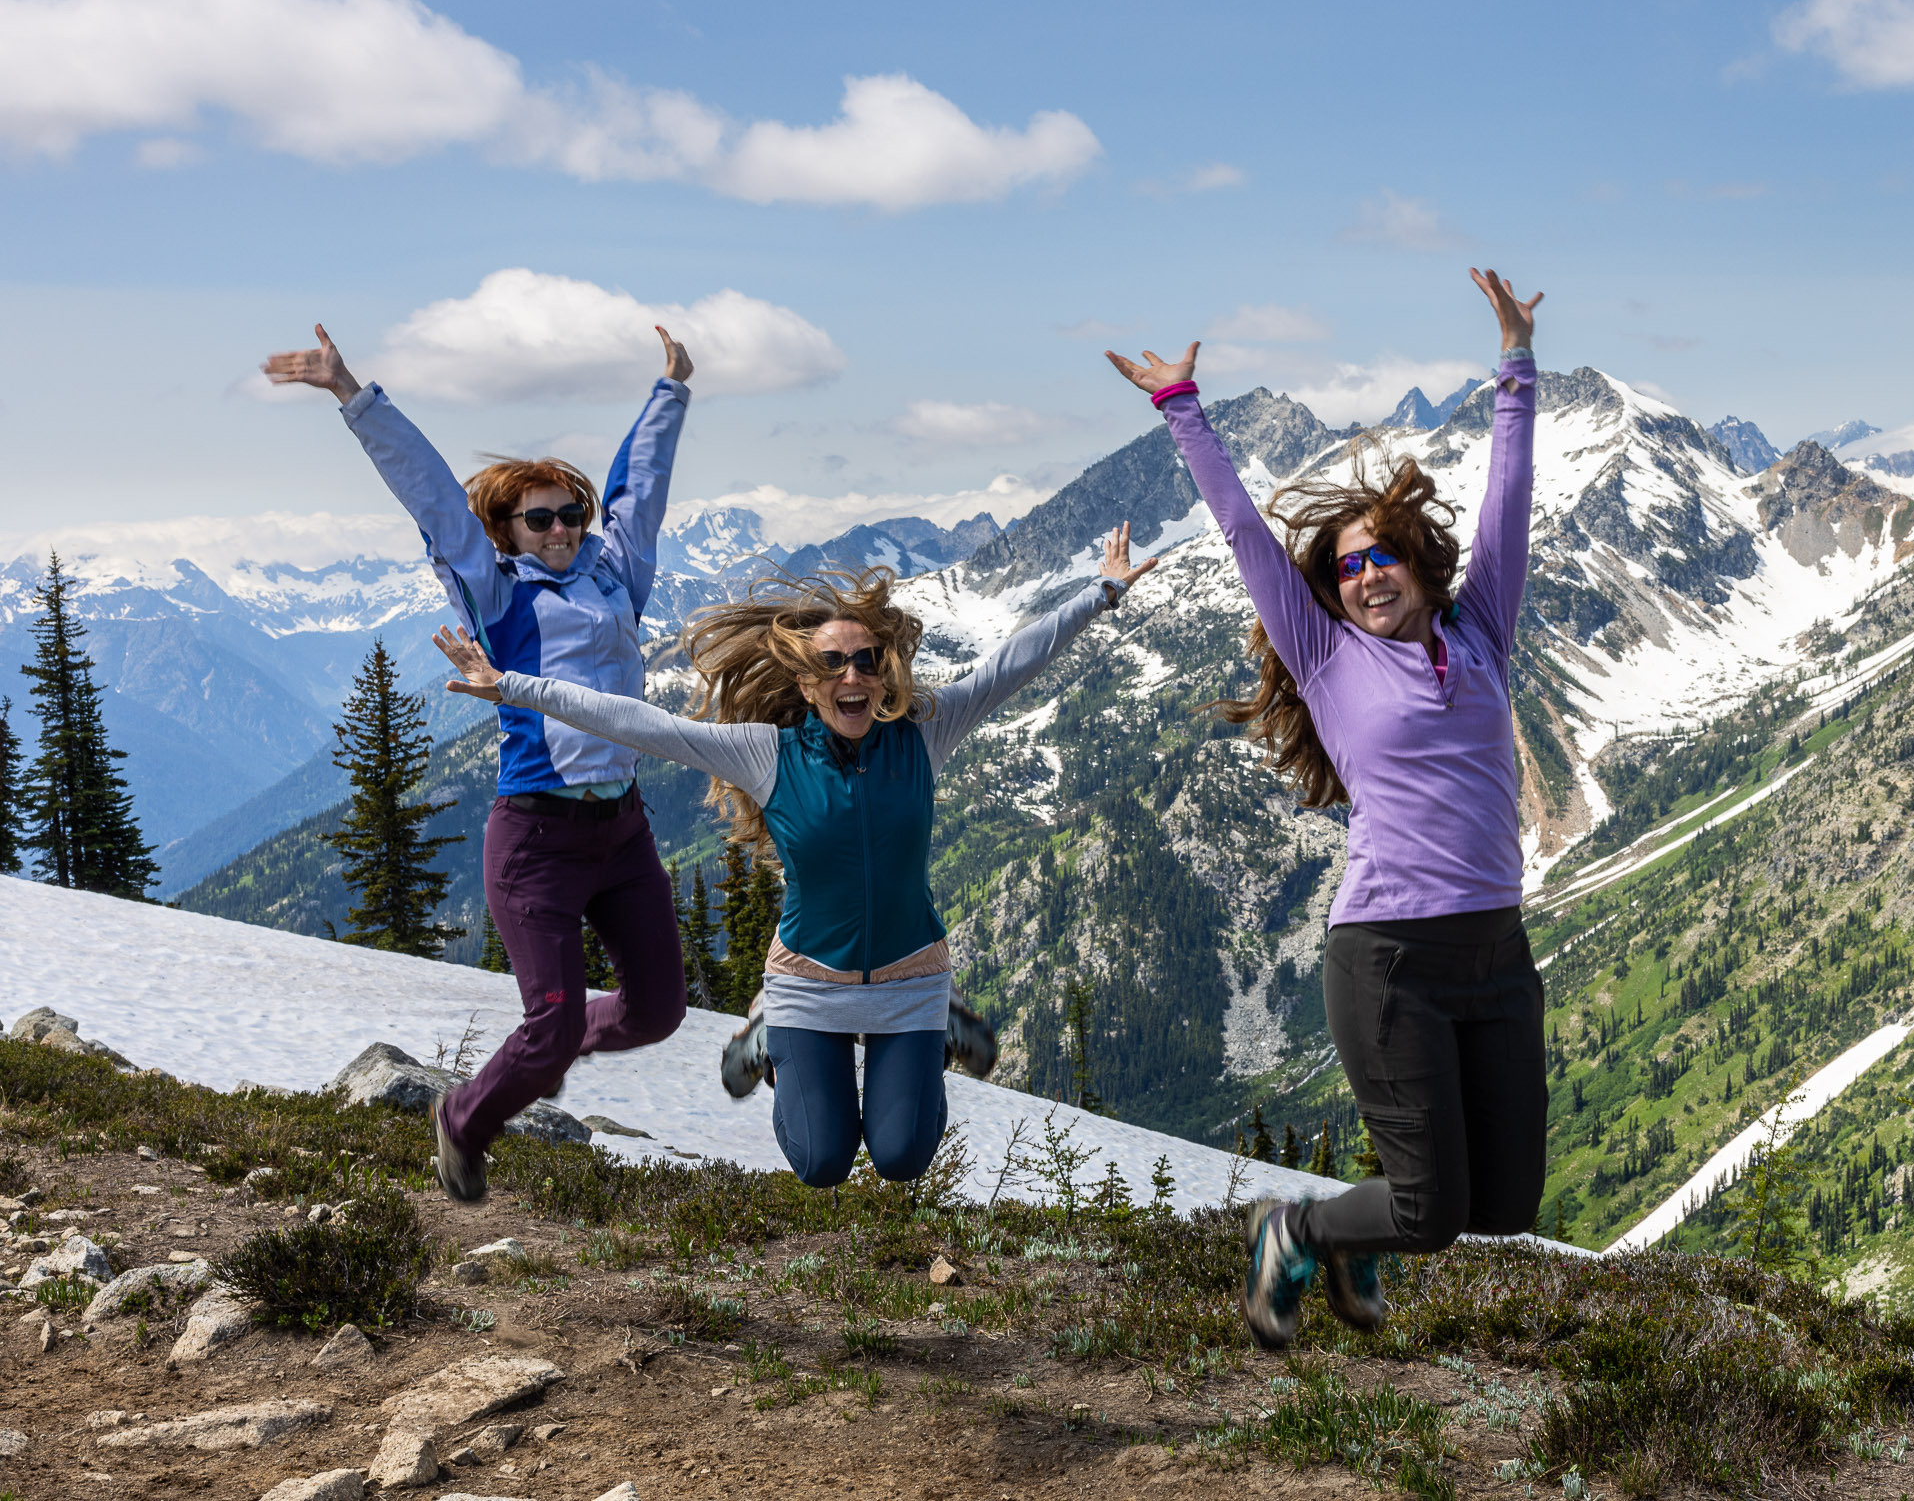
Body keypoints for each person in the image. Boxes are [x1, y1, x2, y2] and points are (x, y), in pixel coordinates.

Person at [431, 529, 1157, 1186]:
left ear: (884, 673)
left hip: (911, 981)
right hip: (808, 984)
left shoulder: (924, 735)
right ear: (808, 684)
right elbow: (638, 723)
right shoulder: (767, 754)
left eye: (866, 661)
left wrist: (1102, 594)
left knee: (902, 1157)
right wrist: (514, 688)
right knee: (822, 1162)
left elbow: (1012, 664)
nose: (852, 676)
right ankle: (769, 1030)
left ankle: (935, 1036)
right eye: (832, 664)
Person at [1105, 268, 1545, 1350]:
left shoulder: (1479, 631)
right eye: (1346, 566)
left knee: (1502, 1211)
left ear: (1420, 560)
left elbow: (1508, 502)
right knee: (1427, 1212)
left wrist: (1515, 369)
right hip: (1388, 955)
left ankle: (1344, 1246)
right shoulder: (1324, 656)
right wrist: (1182, 412)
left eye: (1381, 554)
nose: (1363, 576)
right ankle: (1291, 1230)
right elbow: (1247, 537)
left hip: (1496, 955)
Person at [262, 323, 695, 1204]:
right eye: (541, 517)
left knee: (657, 1011)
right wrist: (356, 396)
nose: (564, 527)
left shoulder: (617, 578)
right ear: (506, 529)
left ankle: (549, 1051)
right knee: (551, 1021)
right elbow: (431, 499)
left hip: (622, 831)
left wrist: (672, 390)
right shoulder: (494, 592)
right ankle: (464, 1119)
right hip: (537, 835)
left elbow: (639, 492)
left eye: (572, 513)